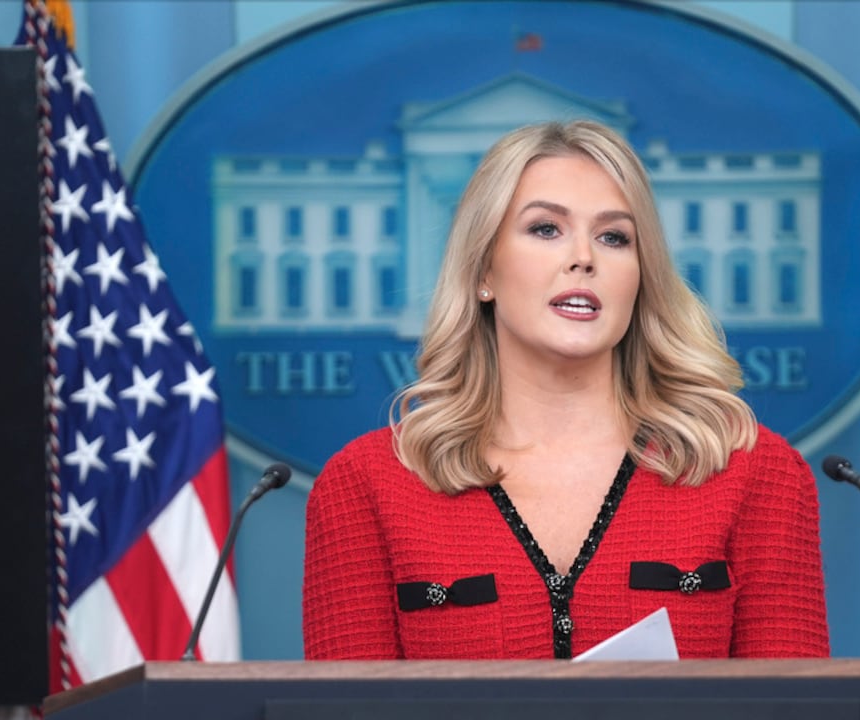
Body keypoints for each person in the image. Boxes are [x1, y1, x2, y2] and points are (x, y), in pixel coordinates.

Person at [302, 120, 829, 660]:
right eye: (546, 229)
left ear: (640, 277)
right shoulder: (366, 484)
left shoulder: (757, 472)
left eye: (614, 237)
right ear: (483, 270)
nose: (584, 257)